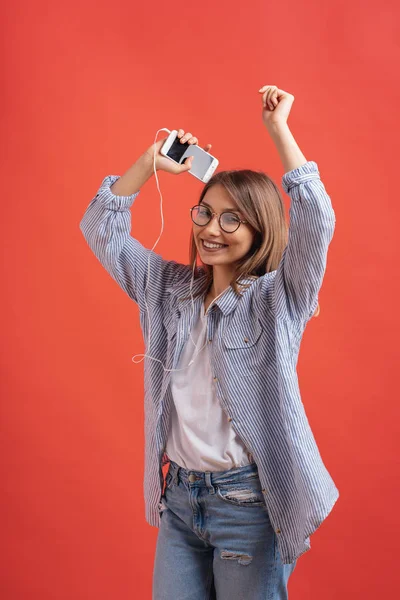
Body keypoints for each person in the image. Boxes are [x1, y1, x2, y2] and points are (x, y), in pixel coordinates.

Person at [79, 84, 339, 599]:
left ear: (260, 230)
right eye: (205, 212)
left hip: (248, 506)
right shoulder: (168, 289)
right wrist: (151, 163)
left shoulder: (279, 297)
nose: (211, 229)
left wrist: (278, 130)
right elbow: (100, 226)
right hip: (179, 499)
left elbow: (317, 218)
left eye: (231, 218)